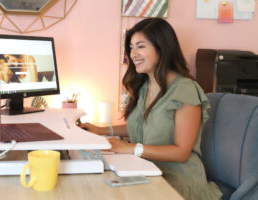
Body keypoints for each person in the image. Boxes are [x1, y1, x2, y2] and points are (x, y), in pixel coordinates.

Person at [79, 18, 222, 199]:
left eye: (140, 46)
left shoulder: (185, 89)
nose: (133, 54)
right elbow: (142, 125)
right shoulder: (146, 86)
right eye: (131, 48)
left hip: (177, 181)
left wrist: (131, 148)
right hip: (148, 171)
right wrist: (101, 130)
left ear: (162, 48)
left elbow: (182, 152)